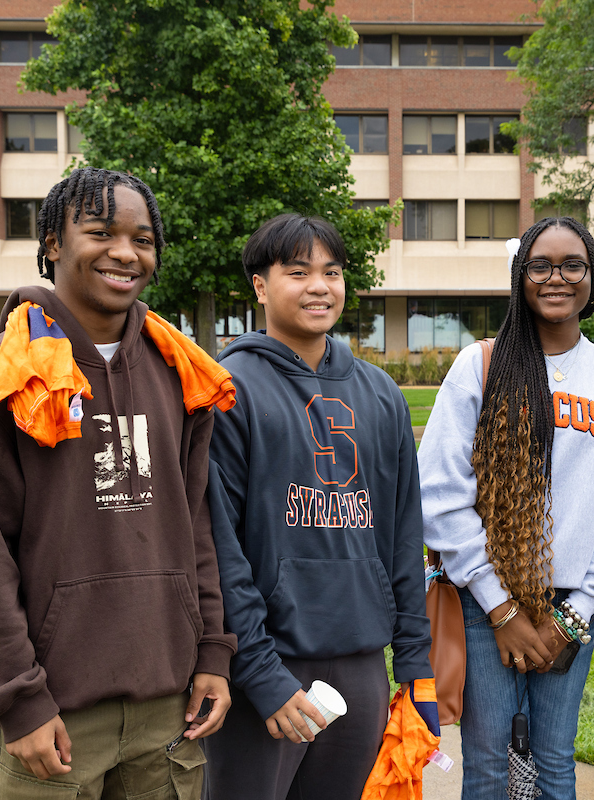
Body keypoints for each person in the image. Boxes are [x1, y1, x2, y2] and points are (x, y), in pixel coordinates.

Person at [0, 167, 238, 799]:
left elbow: (196, 527)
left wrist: (213, 650)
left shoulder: (179, 371)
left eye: (143, 239)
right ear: (53, 243)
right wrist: (17, 702)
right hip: (56, 718)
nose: (125, 252)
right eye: (100, 231)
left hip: (168, 710)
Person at [201, 214, 433, 800]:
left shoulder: (382, 394)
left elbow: (403, 536)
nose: (319, 286)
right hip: (270, 665)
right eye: (298, 271)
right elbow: (216, 546)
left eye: (331, 272)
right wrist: (257, 672)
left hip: (360, 660)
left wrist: (414, 665)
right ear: (259, 285)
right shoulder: (228, 388)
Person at [418, 217, 594, 800]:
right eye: (540, 265)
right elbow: (440, 493)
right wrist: (501, 608)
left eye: (573, 265)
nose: (556, 278)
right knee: (490, 765)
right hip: (484, 601)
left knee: (553, 765)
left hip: (574, 607)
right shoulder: (481, 366)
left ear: (592, 280)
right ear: (520, 277)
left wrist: (576, 613)